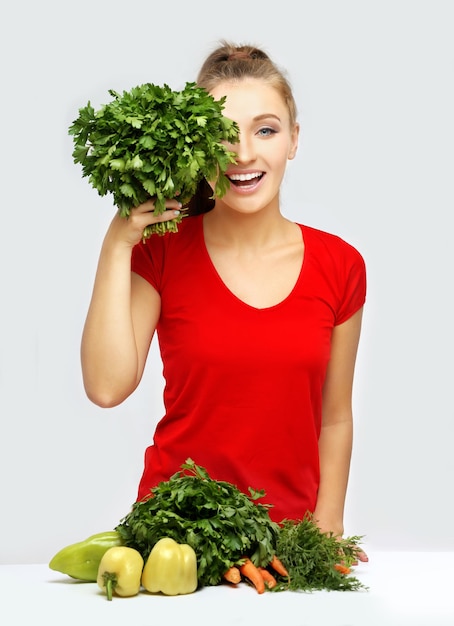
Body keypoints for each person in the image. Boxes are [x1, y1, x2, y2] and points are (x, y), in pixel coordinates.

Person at [81, 41, 367, 555]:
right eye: (221, 134)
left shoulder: (340, 266)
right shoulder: (162, 251)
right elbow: (106, 387)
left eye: (266, 129)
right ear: (195, 145)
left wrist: (326, 535)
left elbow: (334, 416)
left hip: (286, 552)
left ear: (293, 139)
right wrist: (117, 242)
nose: (244, 155)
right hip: (173, 543)